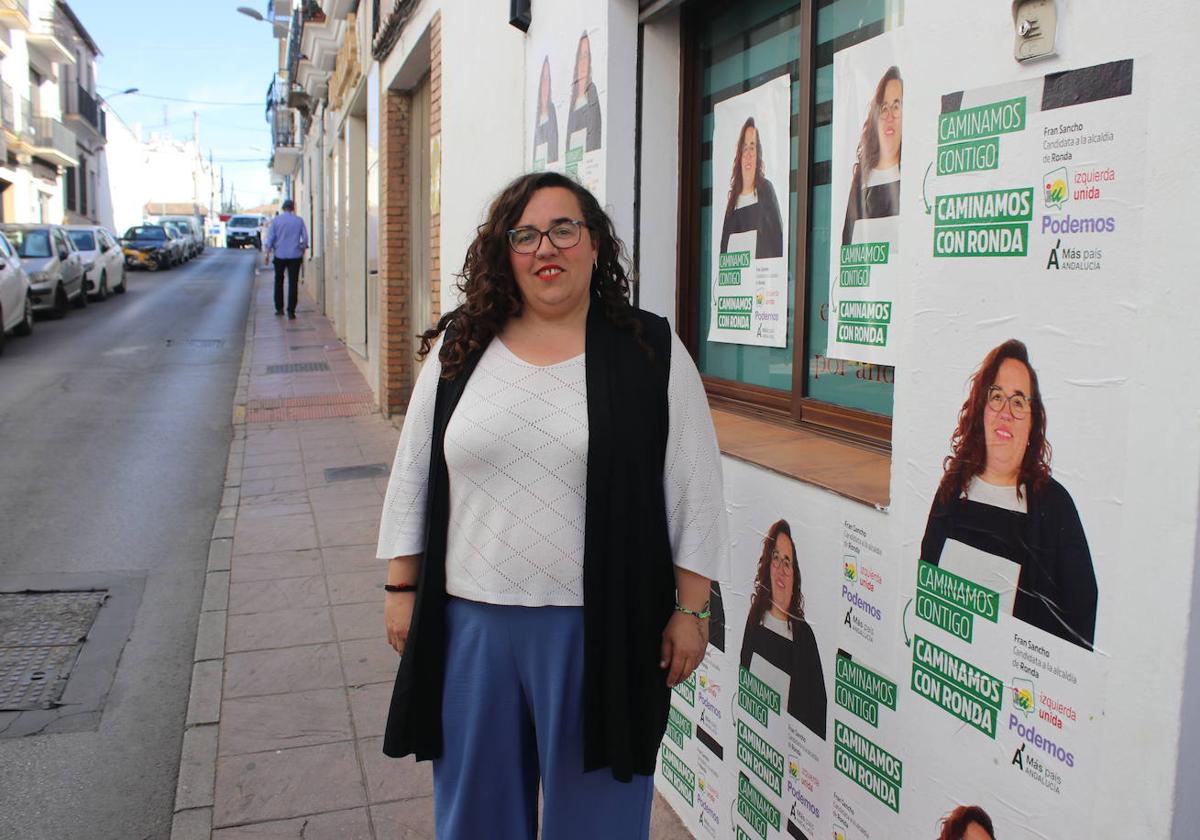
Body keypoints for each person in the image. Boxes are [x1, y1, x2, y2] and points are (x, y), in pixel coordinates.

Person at [376, 171, 729, 840]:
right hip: (473, 631)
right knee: (477, 821)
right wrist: (401, 583)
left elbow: (694, 485)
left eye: (564, 230)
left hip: (603, 633)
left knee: (597, 822)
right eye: (526, 234)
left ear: (594, 245)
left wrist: (692, 607)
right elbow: (415, 469)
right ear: (505, 254)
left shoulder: (649, 351)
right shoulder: (461, 350)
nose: (547, 249)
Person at [919, 339, 1098, 650]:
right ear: (980, 409)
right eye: (996, 397)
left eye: (1018, 402)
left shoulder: (1055, 507)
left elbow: (1079, 623)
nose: (1005, 412)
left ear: (1033, 421)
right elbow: (927, 587)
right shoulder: (952, 491)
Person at [739, 519, 827, 739]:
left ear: (795, 574)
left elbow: (817, 717)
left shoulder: (803, 637)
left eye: (787, 562)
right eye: (775, 558)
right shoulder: (755, 620)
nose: (780, 569)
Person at [841, 66, 902, 246]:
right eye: (884, 108)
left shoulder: (914, 176)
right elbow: (847, 247)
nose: (889, 115)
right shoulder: (862, 178)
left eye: (897, 106)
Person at [719, 117, 784, 259]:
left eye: (752, 147)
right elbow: (724, 251)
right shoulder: (733, 201)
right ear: (740, 155)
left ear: (758, 154)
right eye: (745, 148)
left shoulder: (766, 190)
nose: (748, 154)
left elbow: (777, 242)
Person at [263, 199, 309, 319]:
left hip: (280, 255)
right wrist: (302, 248)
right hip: (295, 255)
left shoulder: (276, 221)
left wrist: (267, 254)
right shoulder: (299, 221)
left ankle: (279, 308)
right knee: (293, 283)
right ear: (293, 208)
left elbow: (270, 238)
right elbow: (305, 238)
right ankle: (291, 311)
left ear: (283, 208)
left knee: (279, 281)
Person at [566, 31, 602, 153]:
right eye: (580, 57)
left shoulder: (592, 92)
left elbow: (595, 136)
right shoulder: (573, 100)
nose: (582, 63)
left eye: (586, 56)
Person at [532, 56, 559, 168]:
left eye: (547, 78)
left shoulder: (552, 111)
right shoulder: (537, 117)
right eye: (543, 78)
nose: (545, 84)